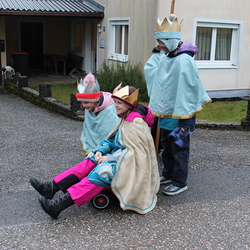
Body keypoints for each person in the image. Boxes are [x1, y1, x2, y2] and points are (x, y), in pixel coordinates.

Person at [30, 84, 160, 218]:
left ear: (130, 103)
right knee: (91, 159)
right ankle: (51, 187)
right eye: (115, 102)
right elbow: (112, 140)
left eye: (119, 103)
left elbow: (135, 154)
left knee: (102, 171)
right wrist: (100, 151)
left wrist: (108, 159)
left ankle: (58, 206)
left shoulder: (135, 124)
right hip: (119, 158)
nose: (115, 105)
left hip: (131, 166)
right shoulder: (124, 117)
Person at [144, 13, 211, 196]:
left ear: (172, 41)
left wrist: (184, 118)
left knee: (179, 148)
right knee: (166, 145)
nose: (159, 47)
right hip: (166, 113)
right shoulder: (166, 57)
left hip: (182, 116)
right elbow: (161, 83)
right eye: (159, 43)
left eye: (162, 43)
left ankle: (180, 181)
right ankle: (167, 173)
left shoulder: (184, 61)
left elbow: (188, 90)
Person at [76, 73, 118, 154]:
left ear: (94, 101)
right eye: (82, 102)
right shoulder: (90, 107)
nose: (83, 105)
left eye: (86, 102)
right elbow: (88, 127)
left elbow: (111, 130)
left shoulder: (110, 109)